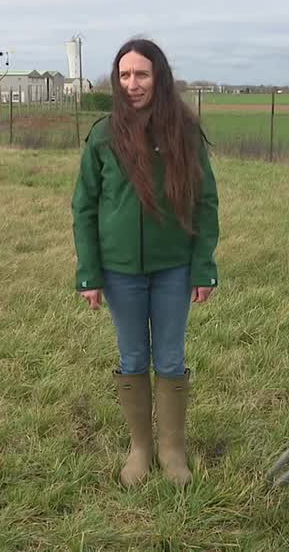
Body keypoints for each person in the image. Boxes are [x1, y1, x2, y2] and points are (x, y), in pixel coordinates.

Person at [70, 38, 221, 487]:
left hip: (174, 268)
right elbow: (85, 207)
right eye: (124, 75)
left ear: (159, 77)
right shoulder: (102, 135)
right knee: (133, 355)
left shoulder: (184, 133)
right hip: (120, 272)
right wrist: (89, 274)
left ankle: (172, 450)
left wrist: (203, 266)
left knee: (171, 358)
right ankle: (140, 449)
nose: (132, 84)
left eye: (142, 74)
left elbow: (205, 202)